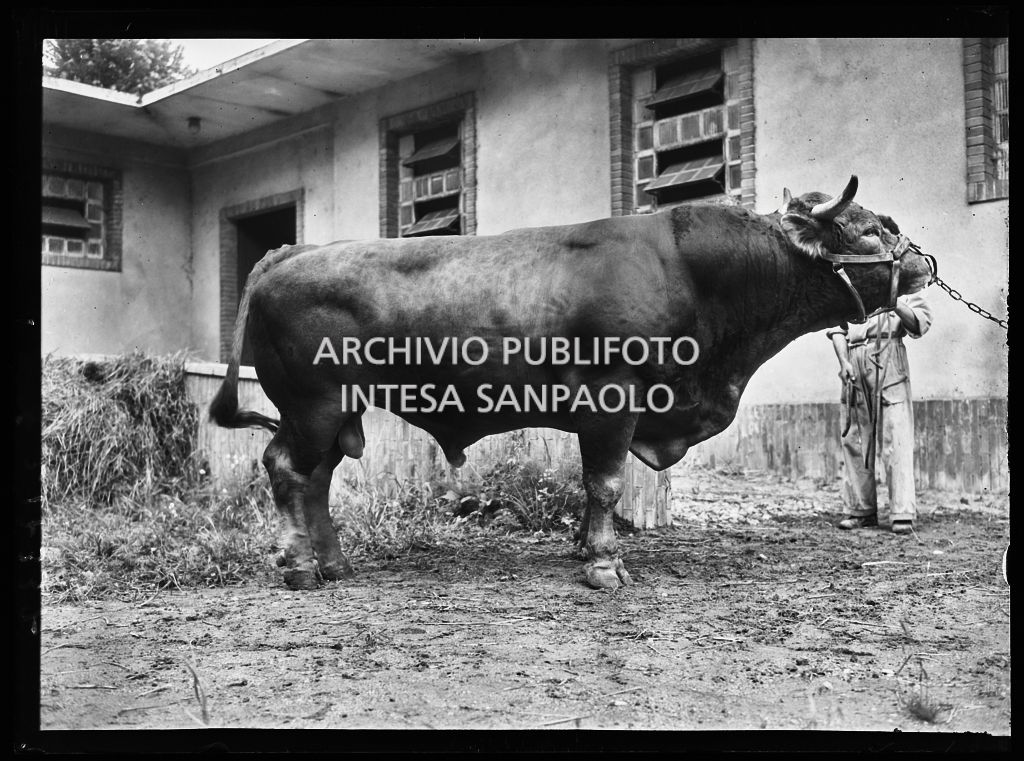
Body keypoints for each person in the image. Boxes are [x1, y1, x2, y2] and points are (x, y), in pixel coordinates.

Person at [827, 291, 933, 534]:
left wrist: (894, 301)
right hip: (855, 359)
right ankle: (861, 511)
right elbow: (837, 329)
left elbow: (920, 323)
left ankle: (902, 513)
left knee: (896, 436)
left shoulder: (905, 283)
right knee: (855, 439)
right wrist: (844, 362)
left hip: (889, 354)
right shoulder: (853, 286)